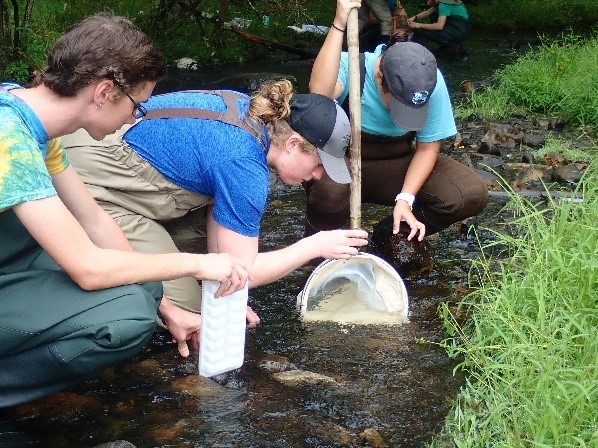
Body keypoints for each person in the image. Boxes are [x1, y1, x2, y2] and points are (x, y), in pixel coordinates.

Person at [0, 12, 252, 408]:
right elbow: (87, 268)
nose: (138, 116)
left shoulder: (32, 120)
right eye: (139, 104)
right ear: (104, 93)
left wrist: (167, 308)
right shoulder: (8, 137)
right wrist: (196, 265)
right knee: (127, 318)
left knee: (146, 287)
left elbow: (94, 220)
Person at [61, 80, 369, 333]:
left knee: (216, 292)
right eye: (317, 165)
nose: (316, 177)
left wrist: (228, 295)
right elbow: (245, 269)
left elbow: (223, 242)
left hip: (86, 139)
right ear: (291, 144)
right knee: (193, 314)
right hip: (93, 184)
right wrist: (314, 245)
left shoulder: (249, 112)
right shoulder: (246, 167)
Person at [306, 0, 487, 255]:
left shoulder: (427, 79)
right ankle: (318, 253)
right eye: (399, 104)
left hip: (398, 166)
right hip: (344, 163)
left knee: (469, 193)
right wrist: (339, 24)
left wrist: (405, 199)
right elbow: (320, 94)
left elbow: (427, 148)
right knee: (329, 191)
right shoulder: (353, 67)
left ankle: (386, 238)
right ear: (380, 78)